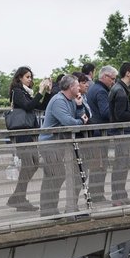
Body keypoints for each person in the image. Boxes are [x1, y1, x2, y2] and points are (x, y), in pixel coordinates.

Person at [38, 75, 87, 216]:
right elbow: (69, 122)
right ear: (71, 87)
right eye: (77, 85)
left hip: (58, 144)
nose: (79, 88)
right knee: (54, 175)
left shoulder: (71, 100)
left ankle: (50, 210)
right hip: (49, 143)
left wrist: (79, 107)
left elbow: (79, 117)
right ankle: (48, 210)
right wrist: (80, 122)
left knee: (56, 175)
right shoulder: (59, 101)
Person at [6, 66, 51, 212]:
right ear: (19, 78)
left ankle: (18, 197)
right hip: (22, 133)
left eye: (31, 77)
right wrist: (39, 91)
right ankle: (19, 198)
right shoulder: (17, 92)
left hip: (29, 133)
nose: (30, 79)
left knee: (33, 164)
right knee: (29, 163)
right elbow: (28, 106)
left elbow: (41, 106)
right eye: (27, 77)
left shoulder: (27, 92)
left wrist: (48, 92)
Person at [108, 62, 130, 205]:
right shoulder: (121, 91)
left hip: (120, 132)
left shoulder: (119, 89)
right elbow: (121, 115)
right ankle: (118, 197)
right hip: (121, 132)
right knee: (121, 164)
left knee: (121, 164)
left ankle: (120, 195)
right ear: (127, 73)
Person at [85, 66, 117, 202]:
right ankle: (97, 195)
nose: (113, 82)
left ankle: (95, 194)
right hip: (99, 134)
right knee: (100, 165)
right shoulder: (101, 91)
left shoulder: (93, 88)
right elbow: (105, 112)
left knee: (96, 165)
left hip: (94, 133)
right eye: (112, 79)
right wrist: (118, 112)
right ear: (104, 76)